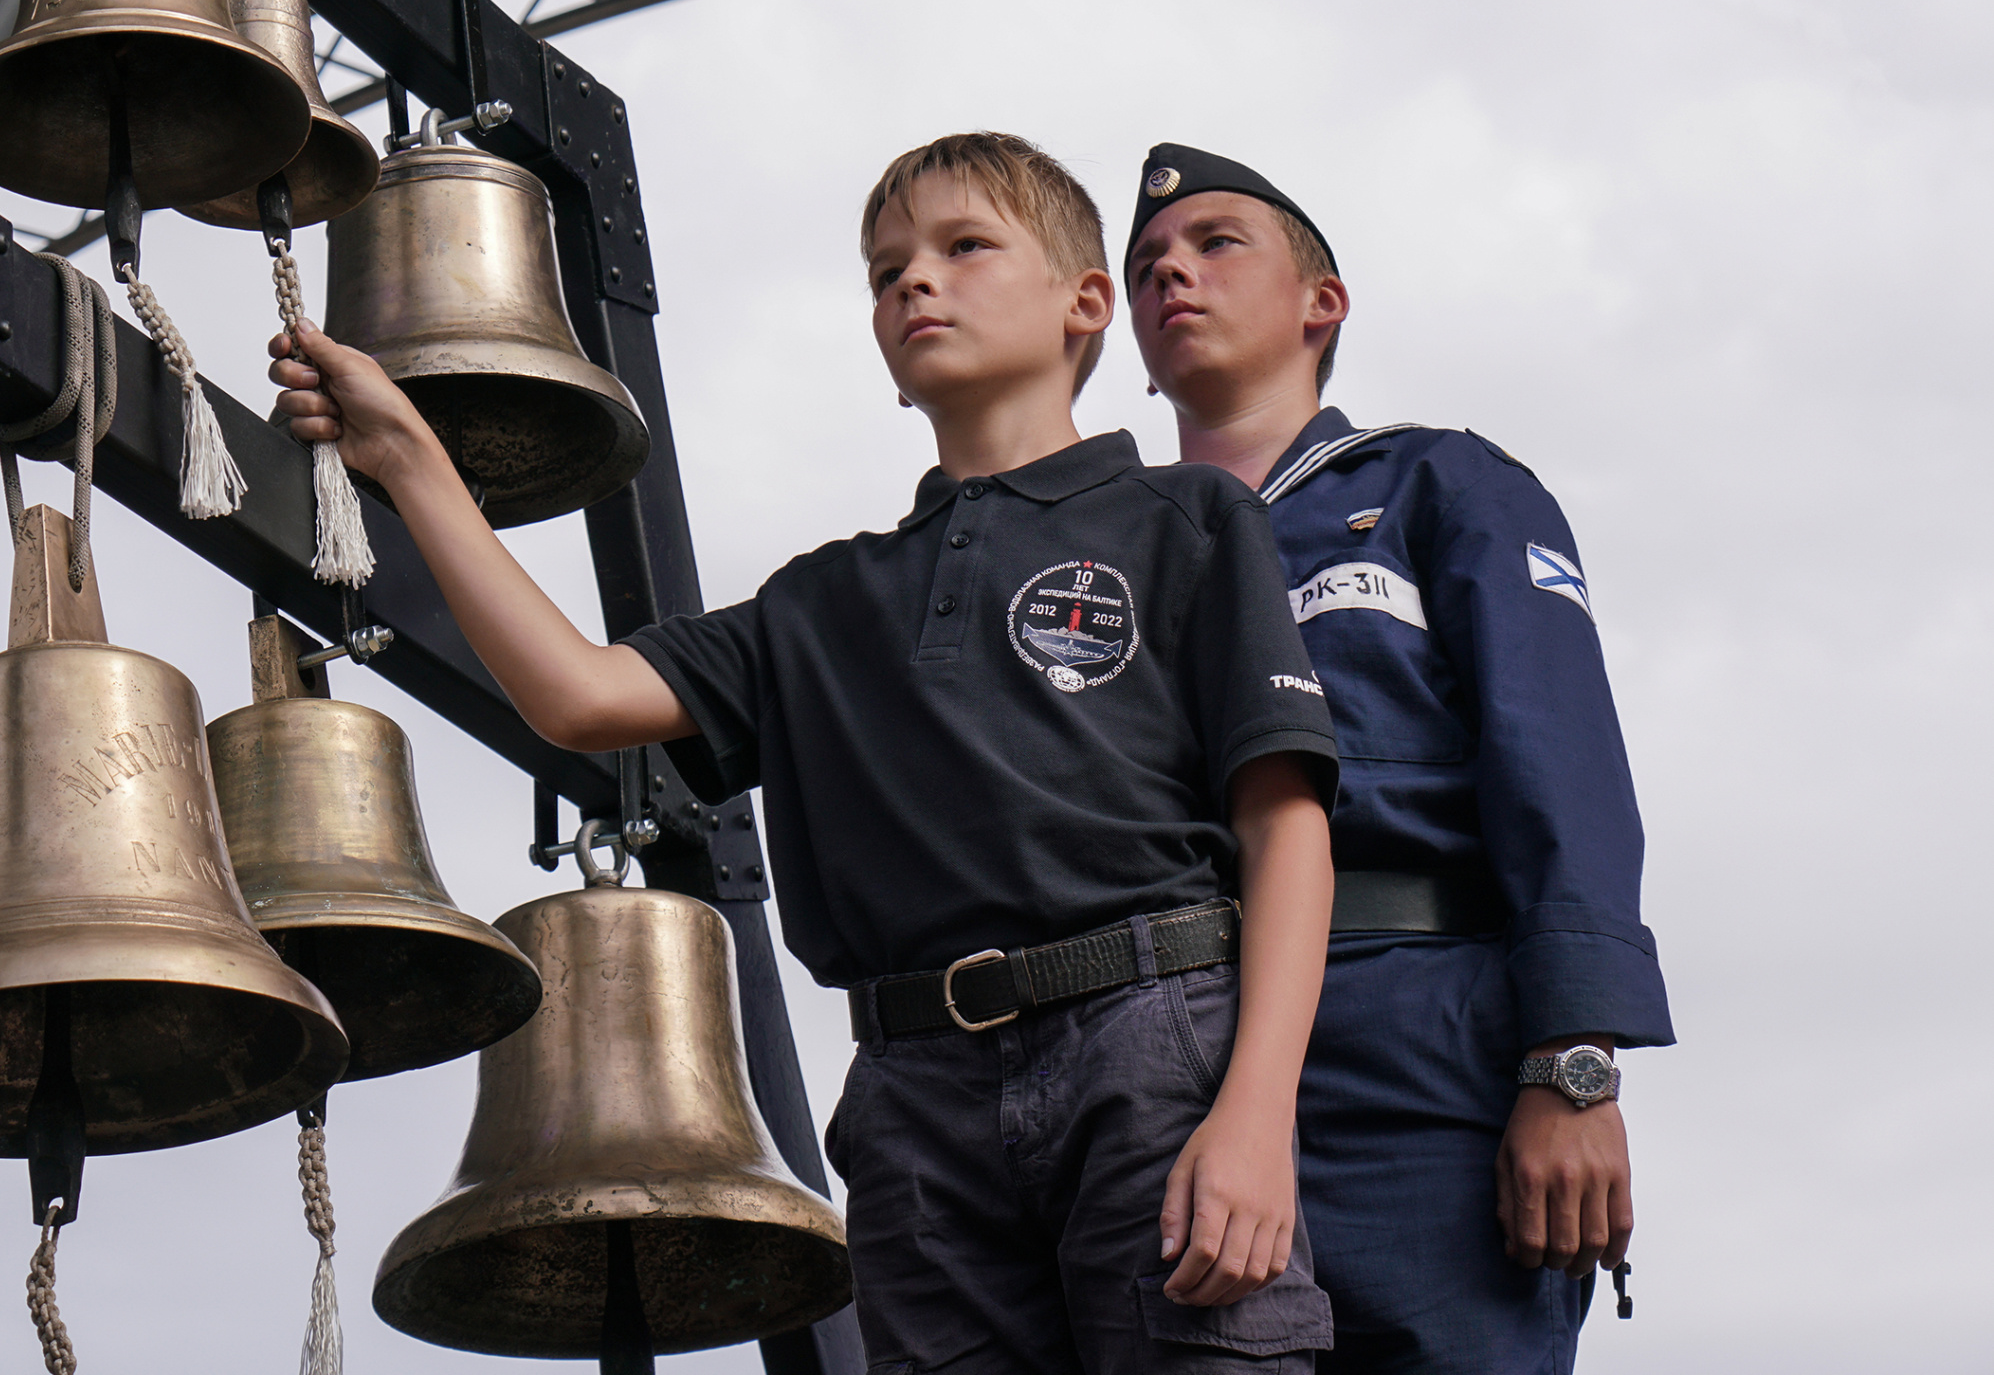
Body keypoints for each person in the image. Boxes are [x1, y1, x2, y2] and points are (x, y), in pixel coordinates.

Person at [274, 132, 1342, 1370]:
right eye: (886, 271)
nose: (913, 284)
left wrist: (1258, 1114)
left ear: (1083, 305)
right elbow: (577, 694)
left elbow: (1286, 827)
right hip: (916, 1095)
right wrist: (411, 458)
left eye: (963, 247)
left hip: (1152, 1045)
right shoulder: (819, 601)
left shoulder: (1190, 519)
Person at [1120, 144, 1676, 1372]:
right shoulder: (1109, 561)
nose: (1173, 273)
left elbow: (1559, 759)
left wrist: (1572, 1062)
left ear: (1322, 302)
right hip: (1161, 1058)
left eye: (1216, 245)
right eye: (1148, 263)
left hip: (1412, 1044)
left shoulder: (1441, 486)